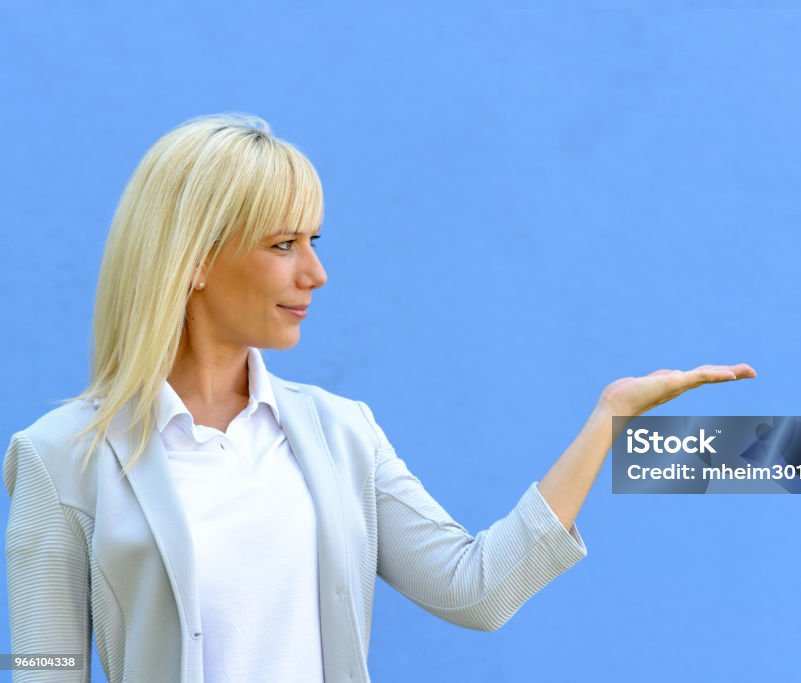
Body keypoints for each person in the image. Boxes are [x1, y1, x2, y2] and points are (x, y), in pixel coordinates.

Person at [3, 113, 756, 683]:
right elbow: (45, 667)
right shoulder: (60, 457)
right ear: (195, 260)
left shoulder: (341, 433)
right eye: (282, 244)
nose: (315, 274)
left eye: (314, 241)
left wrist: (609, 419)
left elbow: (478, 589)